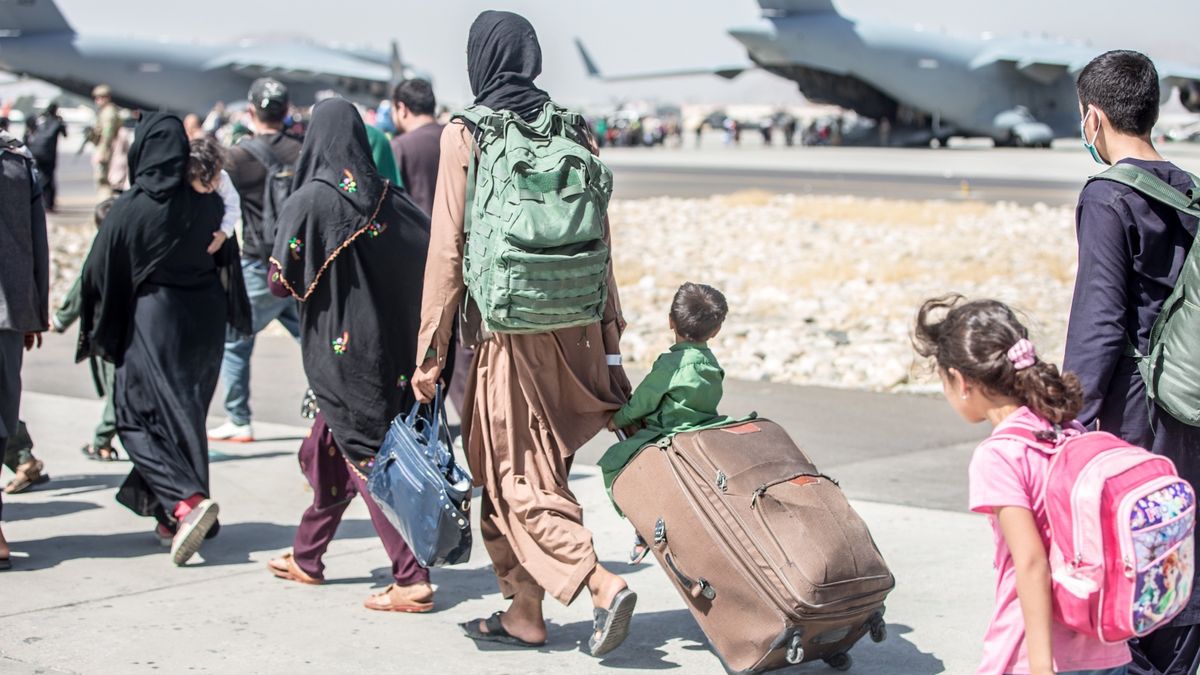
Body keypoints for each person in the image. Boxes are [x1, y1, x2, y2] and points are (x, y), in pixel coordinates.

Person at [411, 10, 636, 655]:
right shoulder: (574, 129)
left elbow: (446, 254)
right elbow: (603, 245)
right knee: (539, 471)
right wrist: (613, 343)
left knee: (513, 475)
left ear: (479, 60)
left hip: (510, 335)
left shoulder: (468, 134)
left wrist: (429, 353)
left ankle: (597, 582)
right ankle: (523, 611)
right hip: (580, 331)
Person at [262, 98, 434, 612]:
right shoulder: (390, 197)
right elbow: (428, 253)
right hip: (392, 351)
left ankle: (410, 578)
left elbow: (278, 282)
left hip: (341, 357)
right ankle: (306, 555)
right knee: (329, 450)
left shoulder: (311, 201)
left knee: (364, 456)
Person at [1063, 50, 1200, 675]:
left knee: (1136, 551)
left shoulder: (1108, 198)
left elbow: (1098, 320)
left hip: (1137, 410)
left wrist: (1070, 421)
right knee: (1183, 540)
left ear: (1094, 118)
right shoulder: (1191, 191)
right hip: (1191, 396)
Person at [914, 296, 1131, 675]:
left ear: (961, 381)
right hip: (1106, 646)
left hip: (1035, 652)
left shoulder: (1000, 454)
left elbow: (1030, 563)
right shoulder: (1067, 430)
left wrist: (1040, 665)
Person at [77, 113, 245, 566]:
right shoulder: (208, 199)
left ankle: (185, 504)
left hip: (157, 321)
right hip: (206, 321)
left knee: (133, 417)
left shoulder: (136, 205)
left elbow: (97, 270)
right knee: (183, 417)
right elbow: (227, 251)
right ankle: (172, 519)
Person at [598, 282, 729, 564]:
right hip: (703, 427)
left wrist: (617, 420)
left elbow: (643, 401)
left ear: (670, 321)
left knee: (613, 464)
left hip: (666, 432)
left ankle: (641, 523)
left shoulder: (671, 364)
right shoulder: (710, 361)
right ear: (716, 331)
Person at [208, 78, 302, 443]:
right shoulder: (304, 151)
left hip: (258, 263)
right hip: (299, 262)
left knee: (236, 338)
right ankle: (328, 411)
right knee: (313, 340)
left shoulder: (237, 156)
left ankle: (238, 417)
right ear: (286, 110)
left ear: (251, 112)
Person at [0, 127, 50, 569]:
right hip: (10, 311)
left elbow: (36, 240)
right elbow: (38, 242)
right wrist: (35, 307)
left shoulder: (19, 163)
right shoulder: (18, 163)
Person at [53, 199, 120, 461]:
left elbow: (82, 288)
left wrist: (60, 320)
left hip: (108, 333)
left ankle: (103, 439)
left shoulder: (102, 253)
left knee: (117, 390)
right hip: (125, 332)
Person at [390, 78, 444, 215]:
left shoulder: (399, 146)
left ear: (401, 109)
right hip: (461, 232)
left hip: (419, 232)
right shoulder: (457, 136)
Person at [187, 136, 241, 255]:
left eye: (216, 179)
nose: (214, 185)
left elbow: (233, 205)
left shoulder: (223, 178)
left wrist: (224, 231)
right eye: (206, 181)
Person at [26, 103, 67, 212]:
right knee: (48, 179)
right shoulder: (57, 122)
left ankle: (40, 202)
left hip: (36, 152)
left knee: (39, 177)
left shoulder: (41, 120)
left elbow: (30, 129)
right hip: (49, 155)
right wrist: (61, 121)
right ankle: (48, 204)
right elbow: (65, 134)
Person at [90, 85, 123, 198]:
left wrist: (102, 152)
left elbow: (107, 134)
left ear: (107, 97)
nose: (97, 100)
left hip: (105, 149)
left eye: (100, 97)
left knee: (102, 180)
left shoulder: (109, 113)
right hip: (104, 148)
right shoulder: (106, 111)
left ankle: (105, 206)